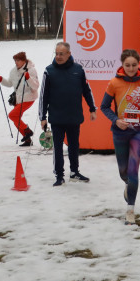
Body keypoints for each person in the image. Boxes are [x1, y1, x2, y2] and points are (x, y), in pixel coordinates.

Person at [100, 49, 140, 224]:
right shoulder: (114, 83)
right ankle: (128, 184)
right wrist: (116, 120)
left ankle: (130, 210)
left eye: (134, 65)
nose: (131, 68)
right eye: (127, 65)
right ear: (122, 65)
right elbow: (104, 107)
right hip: (120, 131)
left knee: (134, 170)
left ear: (139, 63)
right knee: (124, 171)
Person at [39, 42, 96, 186]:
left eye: (61, 54)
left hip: (74, 117)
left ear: (69, 54)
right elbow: (43, 96)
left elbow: (86, 90)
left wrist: (92, 108)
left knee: (74, 146)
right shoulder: (49, 71)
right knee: (57, 148)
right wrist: (42, 117)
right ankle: (59, 175)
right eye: (56, 54)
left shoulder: (78, 70)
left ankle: (74, 172)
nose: (58, 56)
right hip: (57, 118)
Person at [0, 51, 40, 146]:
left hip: (29, 98)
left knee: (12, 115)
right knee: (16, 119)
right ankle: (28, 140)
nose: (16, 62)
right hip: (18, 99)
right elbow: (9, 83)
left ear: (24, 61)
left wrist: (28, 78)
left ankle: (27, 131)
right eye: (15, 60)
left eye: (18, 60)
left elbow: (36, 86)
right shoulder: (13, 71)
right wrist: (1, 80)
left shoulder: (31, 70)